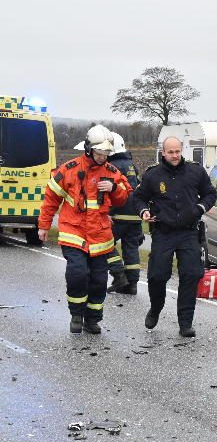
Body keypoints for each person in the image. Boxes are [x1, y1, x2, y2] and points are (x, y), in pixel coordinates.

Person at [37, 125, 132, 334]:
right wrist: (44, 225)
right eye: (99, 153)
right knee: (77, 274)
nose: (102, 158)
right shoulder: (69, 169)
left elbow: (125, 195)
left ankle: (92, 319)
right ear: (89, 149)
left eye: (106, 154)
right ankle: (76, 315)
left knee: (99, 281)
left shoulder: (112, 172)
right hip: (74, 232)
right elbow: (51, 198)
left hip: (100, 237)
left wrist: (114, 188)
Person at [133, 136, 216, 337]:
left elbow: (210, 194)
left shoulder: (195, 171)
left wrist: (200, 207)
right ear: (163, 152)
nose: (175, 155)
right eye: (171, 152)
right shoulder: (153, 175)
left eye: (178, 151)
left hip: (188, 232)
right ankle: (156, 308)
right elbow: (138, 197)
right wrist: (143, 211)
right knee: (157, 276)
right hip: (164, 232)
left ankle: (185, 323)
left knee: (191, 274)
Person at [106, 132, 144, 295]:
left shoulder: (111, 166)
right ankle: (132, 284)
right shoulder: (131, 164)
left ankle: (119, 274)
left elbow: (109, 191)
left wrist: (106, 212)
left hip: (118, 214)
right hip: (135, 214)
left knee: (104, 243)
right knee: (131, 248)